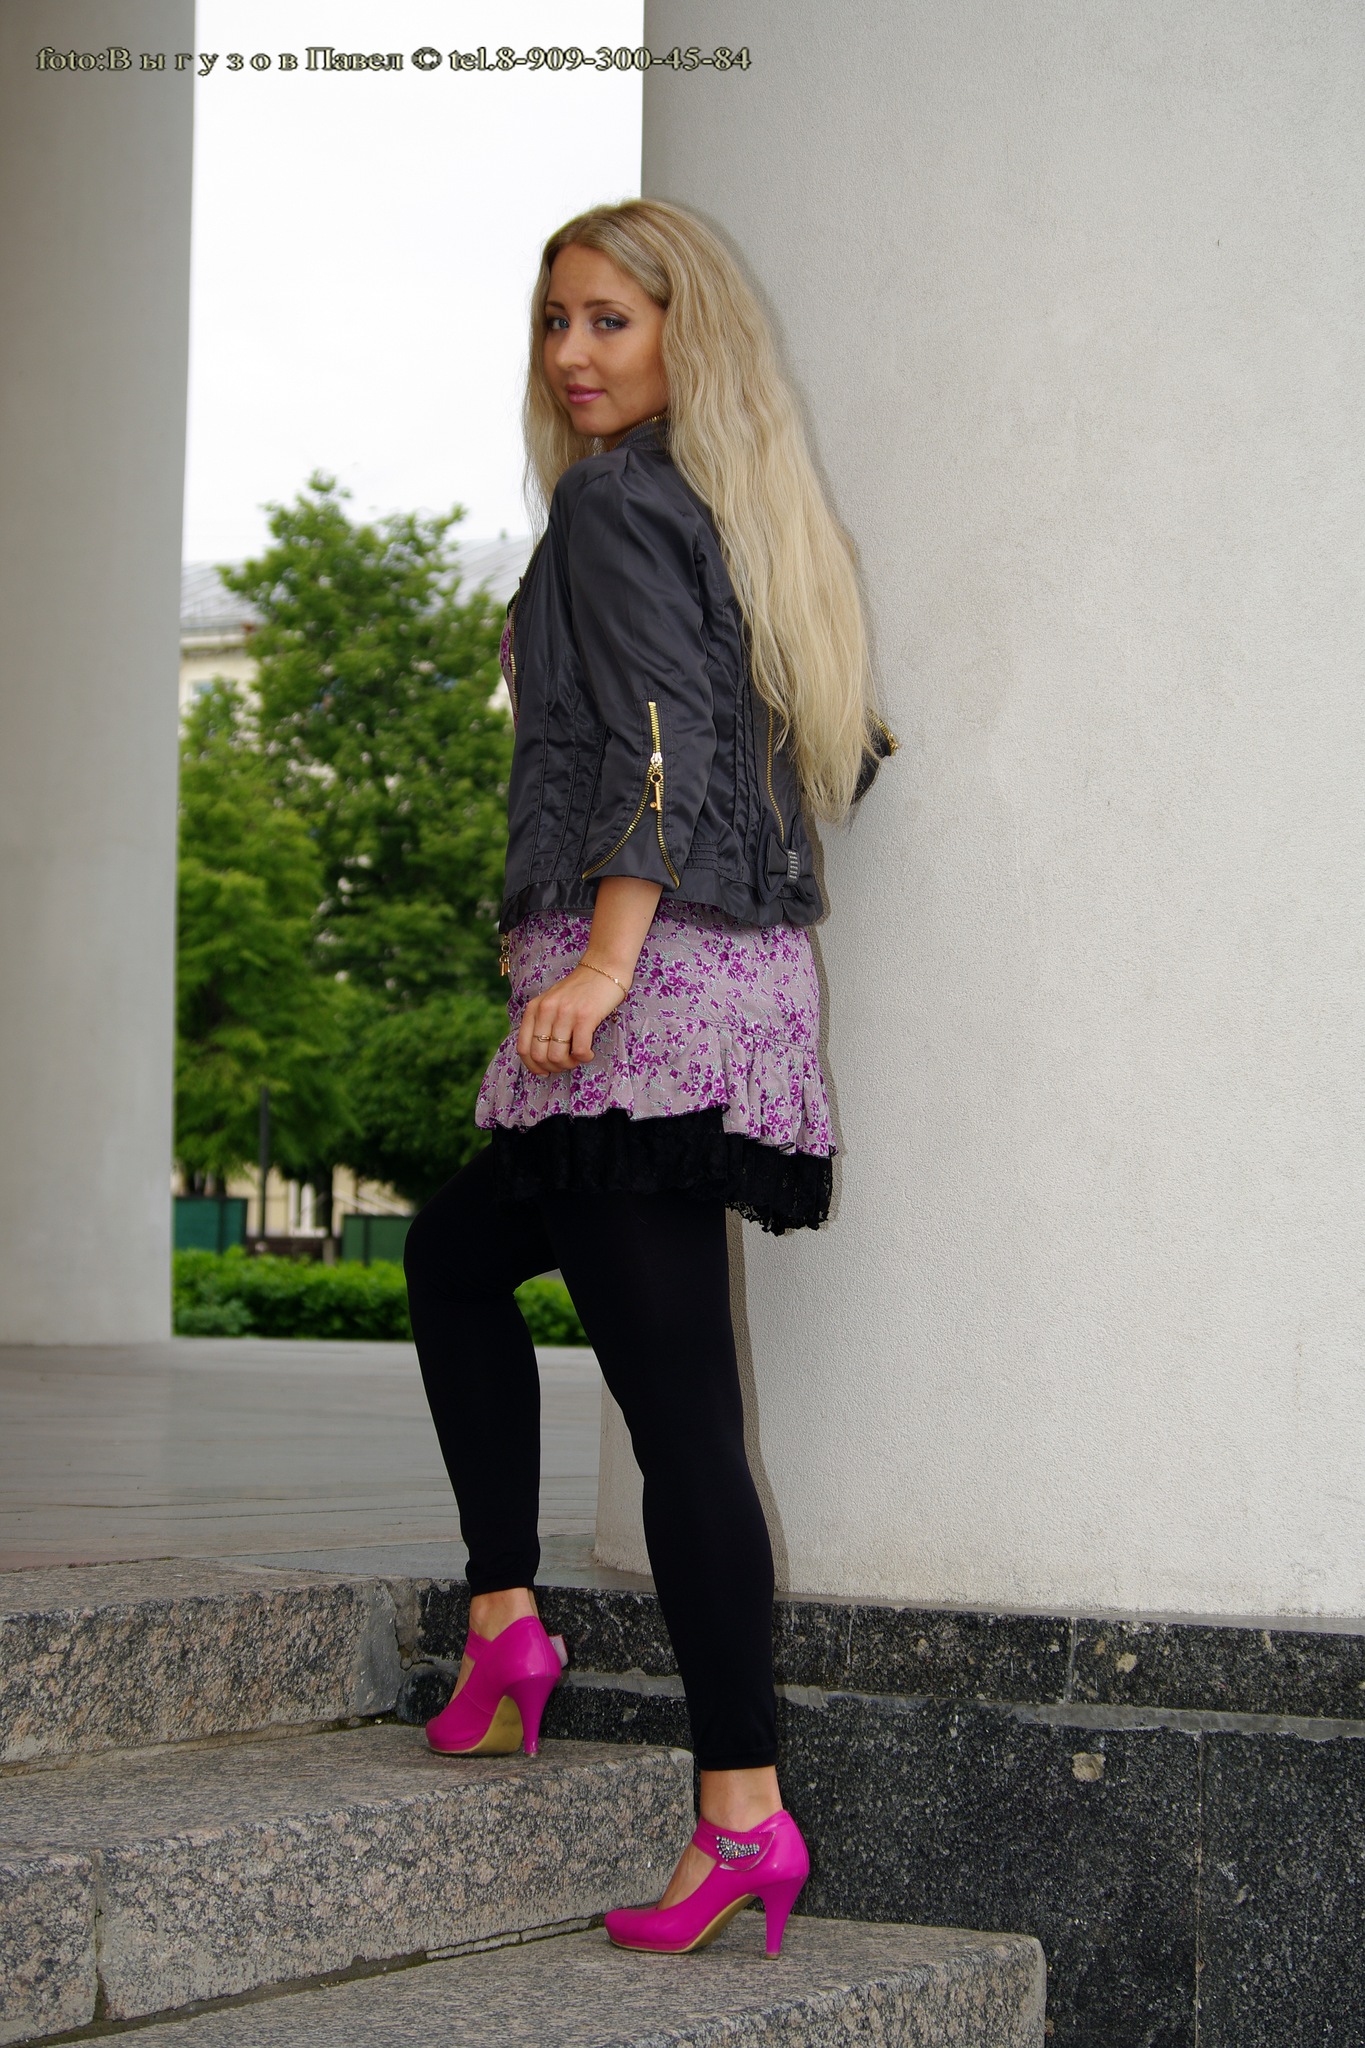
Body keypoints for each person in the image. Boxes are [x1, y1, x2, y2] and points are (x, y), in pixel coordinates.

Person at [403, 197, 893, 1959]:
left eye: (609, 319)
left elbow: (664, 747)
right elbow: (817, 748)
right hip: (717, 991)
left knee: (680, 1419)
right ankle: (507, 1625)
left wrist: (604, 962)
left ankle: (739, 1815)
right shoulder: (732, 509)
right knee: (456, 1259)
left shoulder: (617, 505)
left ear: (689, 330)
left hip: (640, 1004)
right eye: (555, 321)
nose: (572, 354)